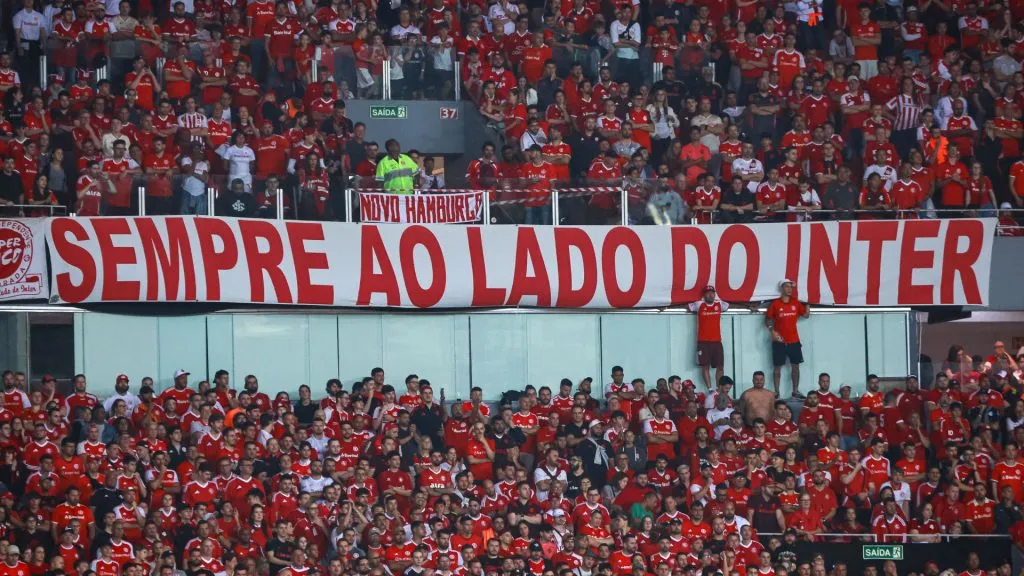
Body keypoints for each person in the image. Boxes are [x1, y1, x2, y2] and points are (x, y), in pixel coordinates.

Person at [765, 279, 810, 398]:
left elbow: (805, 315)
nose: (789, 289)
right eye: (787, 287)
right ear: (781, 289)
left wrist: (808, 305)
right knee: (777, 367)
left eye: (791, 287)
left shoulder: (796, 303)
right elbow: (768, 319)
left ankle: (795, 391)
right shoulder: (775, 304)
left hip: (794, 341)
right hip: (779, 341)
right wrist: (772, 331)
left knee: (795, 367)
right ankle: (777, 392)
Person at [688, 285, 729, 391]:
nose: (710, 295)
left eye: (712, 293)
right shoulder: (699, 305)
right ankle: (710, 389)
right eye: (708, 293)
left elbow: (729, 305)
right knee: (705, 366)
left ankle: (719, 389)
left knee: (720, 366)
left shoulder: (719, 304)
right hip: (703, 342)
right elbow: (687, 307)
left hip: (717, 341)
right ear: (704, 295)